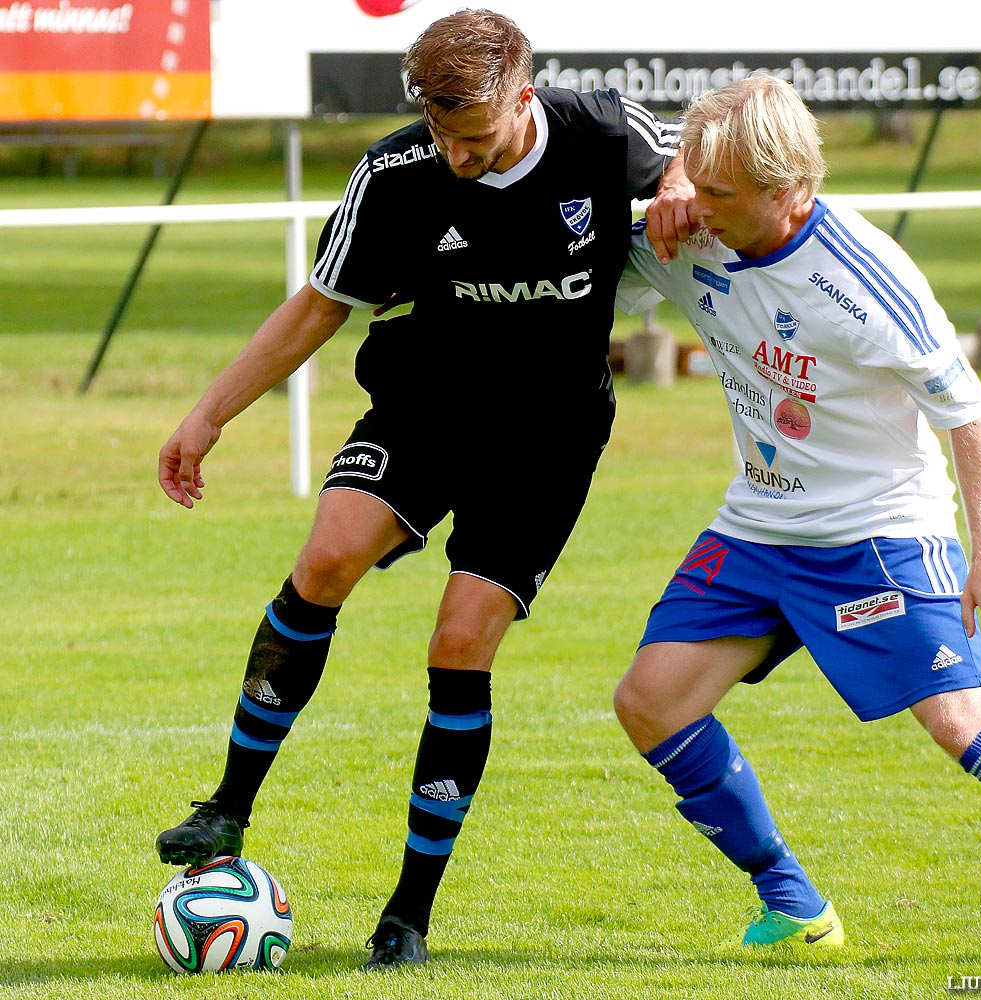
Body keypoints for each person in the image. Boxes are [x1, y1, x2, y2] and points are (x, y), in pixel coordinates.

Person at [612, 75, 981, 977]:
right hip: (759, 527)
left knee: (965, 722)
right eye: (694, 181)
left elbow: (969, 414)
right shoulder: (689, 224)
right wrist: (666, 191)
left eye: (719, 192)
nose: (700, 205)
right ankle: (793, 903)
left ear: (789, 192)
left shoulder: (866, 278)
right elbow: (581, 250)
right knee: (650, 702)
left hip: (877, 531)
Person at [154, 8, 689, 970]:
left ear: (525, 97)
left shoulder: (608, 134)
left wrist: (684, 187)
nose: (456, 155)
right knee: (324, 559)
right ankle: (226, 807)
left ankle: (408, 913)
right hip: (423, 412)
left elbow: (700, 162)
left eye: (475, 137)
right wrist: (208, 415)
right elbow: (319, 304)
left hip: (548, 440)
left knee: (459, 638)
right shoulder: (397, 174)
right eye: (441, 133)